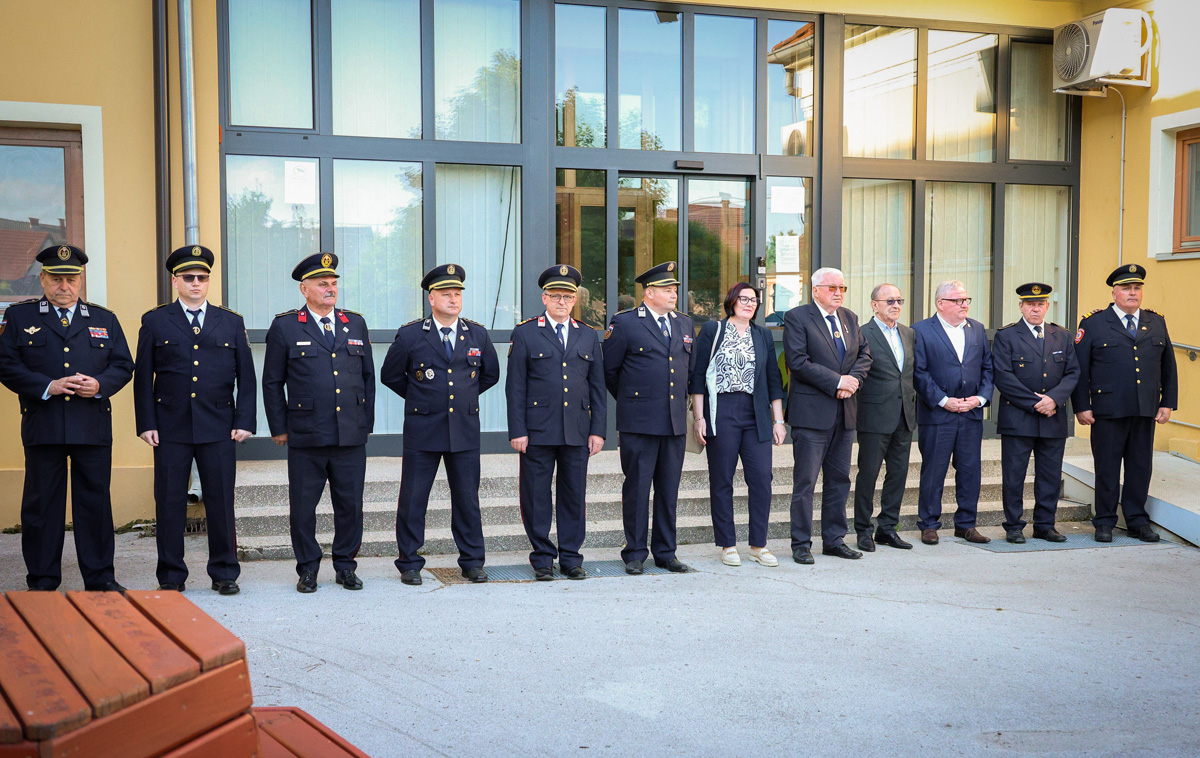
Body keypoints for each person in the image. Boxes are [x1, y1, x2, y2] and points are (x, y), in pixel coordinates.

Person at [0, 244, 134, 591]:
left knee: (95, 505)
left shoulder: (104, 319)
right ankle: (42, 581)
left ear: (80, 280)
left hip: (91, 425)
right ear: (43, 279)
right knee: (42, 507)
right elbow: (6, 364)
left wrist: (100, 385)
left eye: (71, 279)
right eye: (57, 279)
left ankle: (101, 579)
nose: (64, 286)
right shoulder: (20, 318)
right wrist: (48, 386)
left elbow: (123, 365)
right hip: (43, 424)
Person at [134, 244, 256, 594]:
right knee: (169, 502)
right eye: (189, 277)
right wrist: (146, 423)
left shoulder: (230, 321)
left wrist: (245, 420)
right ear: (175, 281)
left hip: (219, 425)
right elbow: (143, 377)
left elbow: (246, 377)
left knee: (221, 501)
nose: (196, 283)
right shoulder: (155, 321)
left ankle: (224, 573)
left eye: (202, 277)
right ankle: (171, 576)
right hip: (169, 426)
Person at [262, 252, 375, 593]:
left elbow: (367, 377)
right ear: (304, 289)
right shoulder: (285, 326)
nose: (331, 288)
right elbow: (272, 382)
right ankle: (308, 568)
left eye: (334, 283)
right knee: (303, 507)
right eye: (323, 283)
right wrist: (279, 427)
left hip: (349, 434)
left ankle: (345, 566)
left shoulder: (355, 323)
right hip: (306, 434)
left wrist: (365, 423)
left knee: (350, 506)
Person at [382, 264, 500, 585]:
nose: (453, 299)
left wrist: (463, 399)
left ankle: (472, 561)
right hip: (423, 429)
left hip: (464, 428)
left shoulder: (477, 334)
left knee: (467, 499)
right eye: (446, 294)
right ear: (431, 298)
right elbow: (390, 375)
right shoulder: (411, 335)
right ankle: (409, 562)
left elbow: (490, 374)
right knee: (413, 499)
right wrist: (422, 399)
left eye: (457, 294)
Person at [506, 265, 606, 580]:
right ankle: (542, 558)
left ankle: (571, 558)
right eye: (555, 296)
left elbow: (597, 387)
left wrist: (598, 430)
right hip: (537, 430)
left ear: (575, 300)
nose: (562, 302)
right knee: (536, 496)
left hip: (577, 429)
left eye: (567, 296)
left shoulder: (587, 334)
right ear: (544, 298)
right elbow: (515, 387)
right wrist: (517, 430)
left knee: (574, 495)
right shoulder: (525, 333)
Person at [1072, 264, 1177, 543]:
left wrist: (1167, 402)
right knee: (1107, 468)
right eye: (1126, 288)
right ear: (1114, 293)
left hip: (1145, 408)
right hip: (1108, 410)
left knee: (1140, 467)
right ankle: (1105, 521)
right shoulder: (1093, 323)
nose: (1133, 293)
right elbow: (1080, 370)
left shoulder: (1156, 321)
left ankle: (1137, 521)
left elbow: (1168, 366)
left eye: (1137, 288)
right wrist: (1082, 406)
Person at [603, 261, 694, 575]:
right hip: (639, 422)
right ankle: (635, 553)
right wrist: (634, 402)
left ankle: (666, 553)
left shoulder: (684, 323)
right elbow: (610, 372)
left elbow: (689, 371)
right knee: (638, 489)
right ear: (649, 292)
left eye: (674, 289)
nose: (673, 294)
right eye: (667, 289)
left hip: (674, 422)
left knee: (669, 491)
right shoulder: (626, 323)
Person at [689, 283, 787, 568]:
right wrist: (699, 418)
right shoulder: (714, 330)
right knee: (722, 479)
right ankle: (728, 544)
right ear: (731, 301)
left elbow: (773, 380)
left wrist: (778, 420)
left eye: (754, 300)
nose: (749, 304)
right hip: (722, 410)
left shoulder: (762, 334)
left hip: (756, 412)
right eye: (743, 299)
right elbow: (698, 376)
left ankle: (758, 545)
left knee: (762, 479)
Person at [783, 267, 871, 564]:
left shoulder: (849, 318)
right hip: (812, 416)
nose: (838, 293)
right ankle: (801, 544)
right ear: (815, 290)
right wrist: (837, 381)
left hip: (845, 413)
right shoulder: (797, 317)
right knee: (805, 483)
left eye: (842, 288)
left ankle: (834, 540)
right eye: (832, 287)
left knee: (839, 480)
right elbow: (798, 361)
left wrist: (853, 381)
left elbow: (864, 355)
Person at [992, 283, 1080, 543]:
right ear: (1021, 306)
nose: (1035, 309)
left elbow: (1073, 372)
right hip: (1018, 418)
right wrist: (1035, 402)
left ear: (1047, 306)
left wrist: (1054, 399)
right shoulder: (1007, 336)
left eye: (1040, 304)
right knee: (1014, 476)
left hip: (1053, 417)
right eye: (1030, 304)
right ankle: (1014, 526)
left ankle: (1045, 525)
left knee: (1050, 476)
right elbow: (1003, 376)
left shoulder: (1062, 335)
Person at [912, 280, 994, 545]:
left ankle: (966, 525)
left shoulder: (977, 329)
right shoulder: (921, 330)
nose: (964, 305)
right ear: (940, 303)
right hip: (938, 415)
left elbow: (988, 368)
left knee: (970, 471)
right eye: (958, 300)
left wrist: (979, 399)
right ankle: (929, 524)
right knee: (934, 471)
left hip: (970, 413)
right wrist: (943, 400)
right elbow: (919, 372)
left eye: (966, 299)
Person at [853, 283, 916, 551]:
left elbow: (908, 374)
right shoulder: (861, 333)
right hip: (874, 416)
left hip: (904, 416)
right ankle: (863, 530)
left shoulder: (908, 333)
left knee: (898, 474)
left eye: (899, 300)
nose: (896, 305)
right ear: (874, 305)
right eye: (889, 301)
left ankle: (888, 528)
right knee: (868, 474)